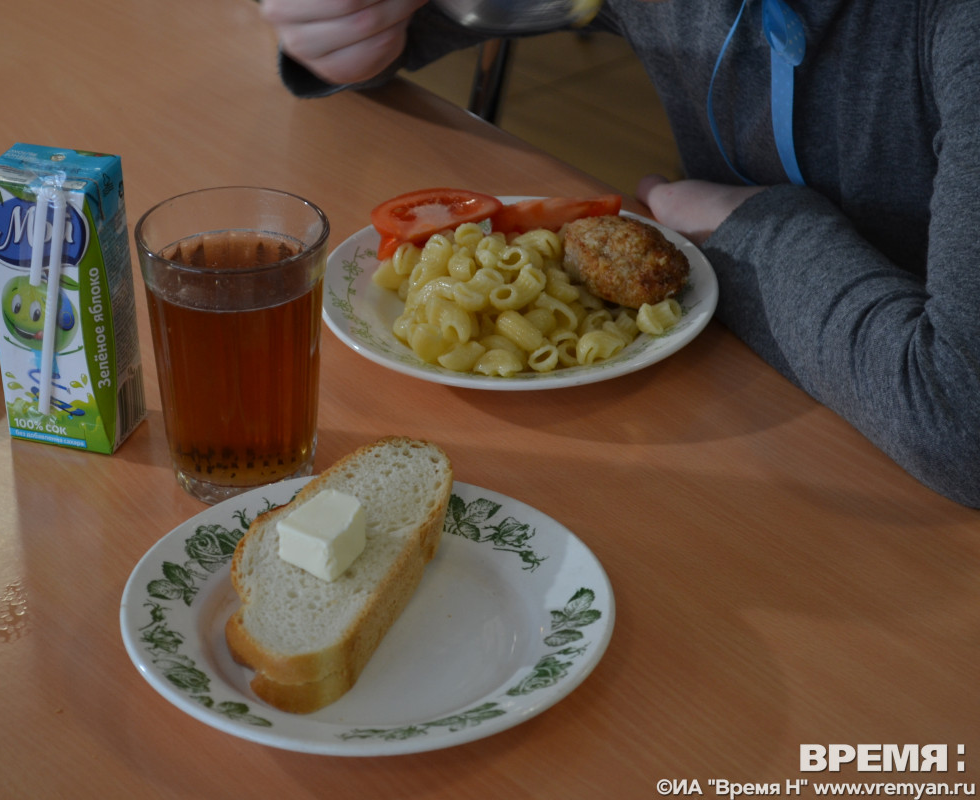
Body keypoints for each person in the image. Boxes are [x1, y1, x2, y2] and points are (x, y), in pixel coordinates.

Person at [258, 0, 980, 509]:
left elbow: (960, 420)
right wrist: (347, 27)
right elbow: (409, 20)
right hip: (744, 427)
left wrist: (749, 229)